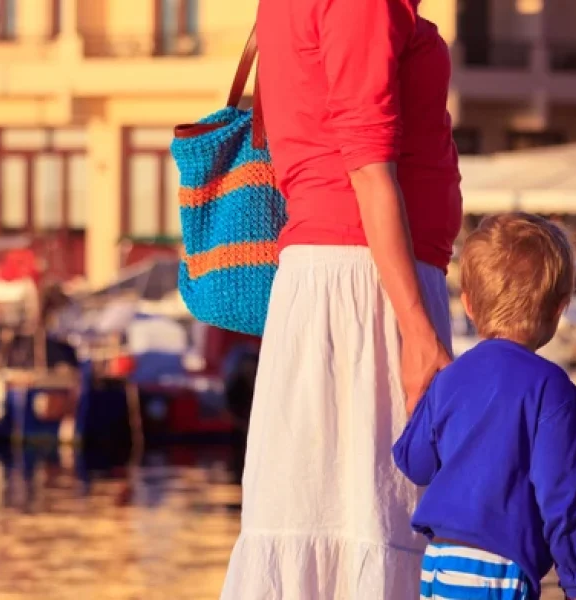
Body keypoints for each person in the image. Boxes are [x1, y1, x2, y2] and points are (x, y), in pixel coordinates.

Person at [219, 0, 460, 597]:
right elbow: (367, 167)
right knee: (372, 515)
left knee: (329, 516)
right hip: (370, 284)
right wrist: (418, 332)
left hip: (347, 278)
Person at [392, 213, 576, 600]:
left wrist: (420, 403)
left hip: (439, 561)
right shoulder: (553, 389)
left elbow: (414, 463)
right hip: (497, 565)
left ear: (468, 304)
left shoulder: (449, 378)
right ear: (559, 308)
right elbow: (562, 497)